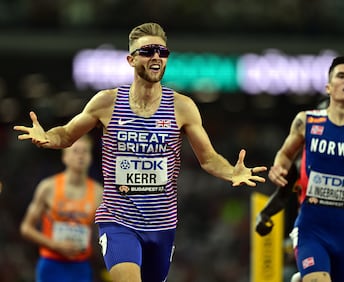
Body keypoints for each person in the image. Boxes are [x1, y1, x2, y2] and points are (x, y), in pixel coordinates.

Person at [14, 22, 267, 282]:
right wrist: (48, 137)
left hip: (162, 226)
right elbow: (67, 134)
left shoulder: (182, 107)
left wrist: (230, 171)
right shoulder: (107, 102)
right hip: (118, 221)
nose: (156, 56)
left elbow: (208, 158)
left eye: (162, 51)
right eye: (147, 51)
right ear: (131, 59)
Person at [267, 56, 344, 282]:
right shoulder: (306, 121)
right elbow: (285, 155)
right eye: (341, 76)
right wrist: (278, 167)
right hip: (311, 227)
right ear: (328, 87)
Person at [20, 135, 103, 282]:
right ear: (65, 157)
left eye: (85, 152)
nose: (81, 156)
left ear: (90, 157)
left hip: (81, 266)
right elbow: (26, 228)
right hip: (51, 264)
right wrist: (55, 245)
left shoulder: (98, 193)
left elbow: (103, 232)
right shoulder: (48, 188)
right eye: (76, 151)